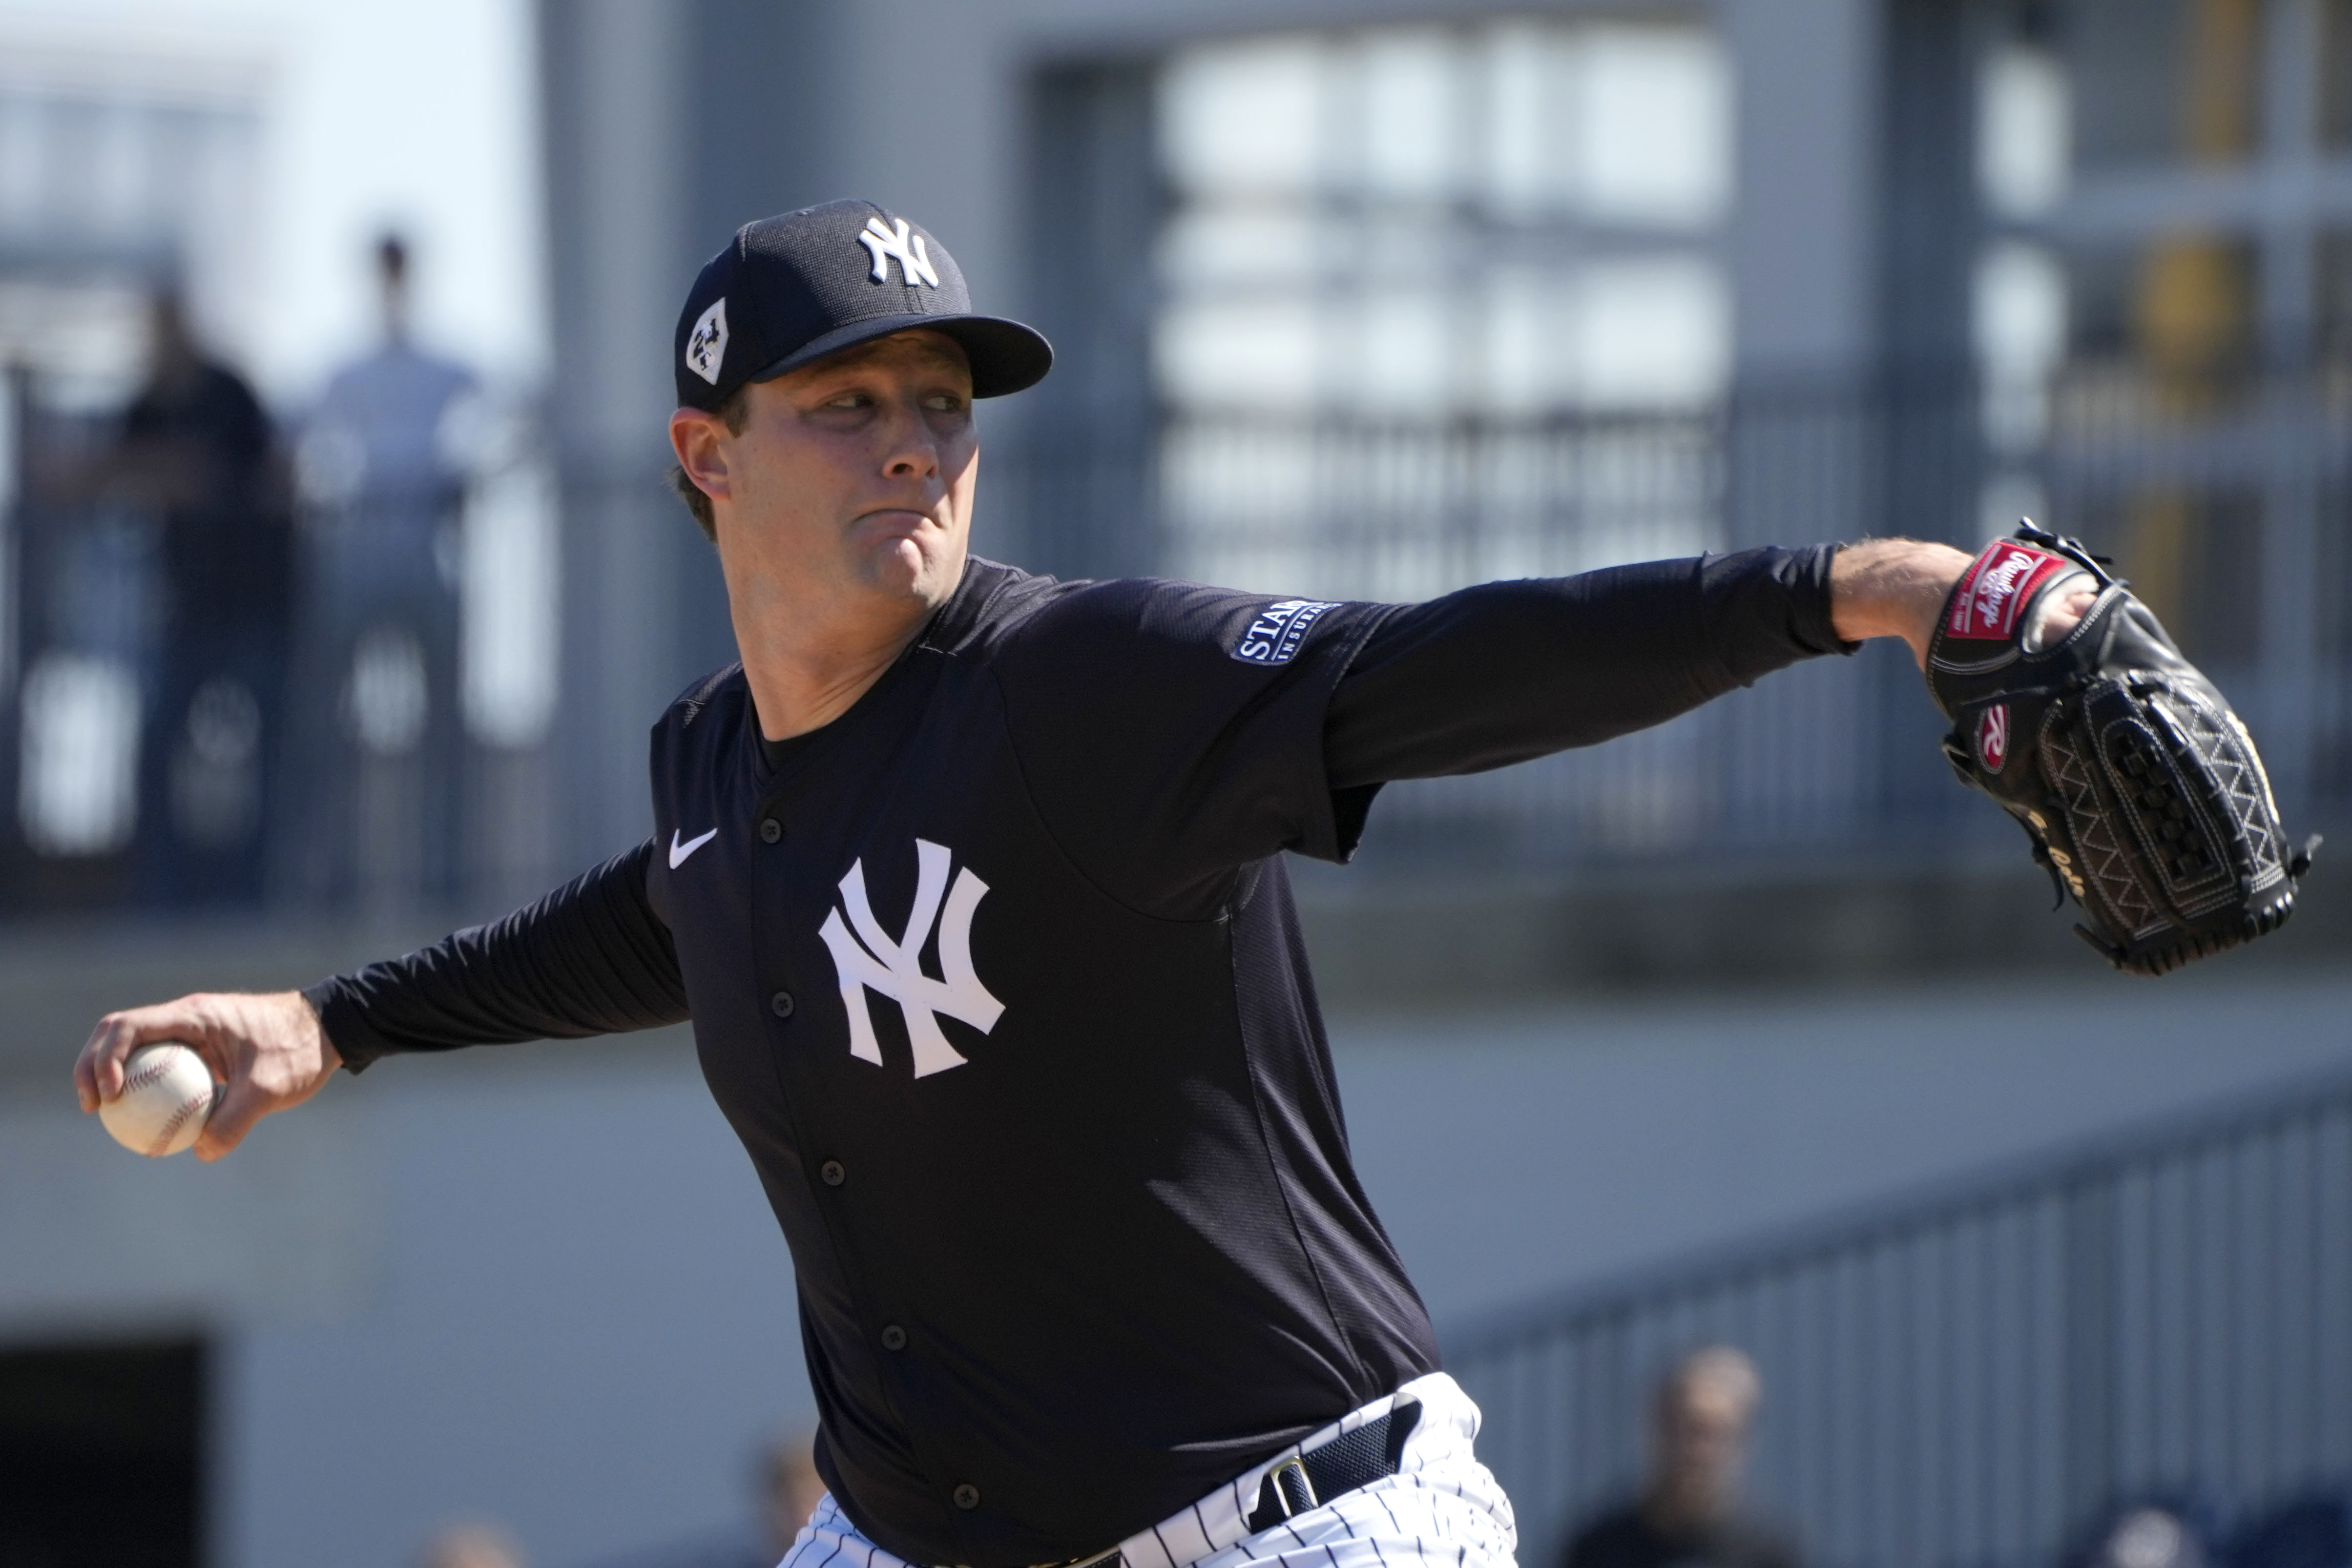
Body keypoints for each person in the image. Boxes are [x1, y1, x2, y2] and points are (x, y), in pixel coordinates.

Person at [74, 202, 2091, 1568]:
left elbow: (1433, 665)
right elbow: (667, 910)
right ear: (705, 455)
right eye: (844, 405)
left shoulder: (1078, 685)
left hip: (1298, 1518)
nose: (912, 450)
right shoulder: (713, 764)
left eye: (941, 407)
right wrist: (337, 1018)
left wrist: (1852, 592)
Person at [286, 232, 478, 905]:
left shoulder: (444, 367)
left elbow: (520, 412)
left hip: (424, 561)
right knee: (333, 725)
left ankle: (442, 879)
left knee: (443, 732)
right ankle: (334, 880)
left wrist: (469, 478)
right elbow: (295, 437)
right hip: (360, 561)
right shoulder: (349, 373)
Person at [116, 288, 291, 905]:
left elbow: (266, 469)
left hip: (256, 606)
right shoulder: (144, 406)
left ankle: (257, 891)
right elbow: (119, 469)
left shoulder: (229, 392)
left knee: (266, 756)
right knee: (159, 748)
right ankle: (163, 893)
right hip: (187, 611)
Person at [1561, 1348, 1796, 1568]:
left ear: (1745, 1440)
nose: (1699, 1453)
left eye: (1715, 1434)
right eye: (1687, 1429)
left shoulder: (1769, 1557)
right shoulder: (1597, 1551)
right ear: (1655, 1427)